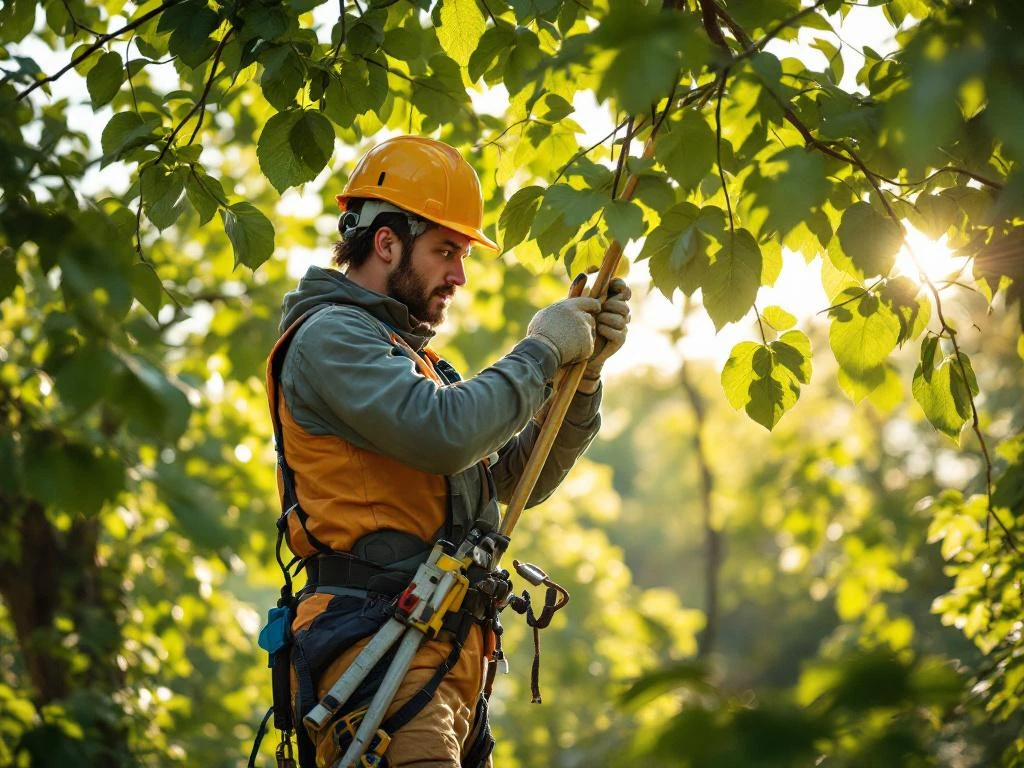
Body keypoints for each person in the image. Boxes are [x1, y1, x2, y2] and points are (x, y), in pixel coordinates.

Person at [265, 135, 631, 768]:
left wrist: (582, 379)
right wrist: (542, 352)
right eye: (446, 251)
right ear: (386, 242)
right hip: (377, 650)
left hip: (441, 651)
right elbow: (447, 435)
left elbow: (516, 482)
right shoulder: (332, 338)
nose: (459, 275)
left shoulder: (413, 362)